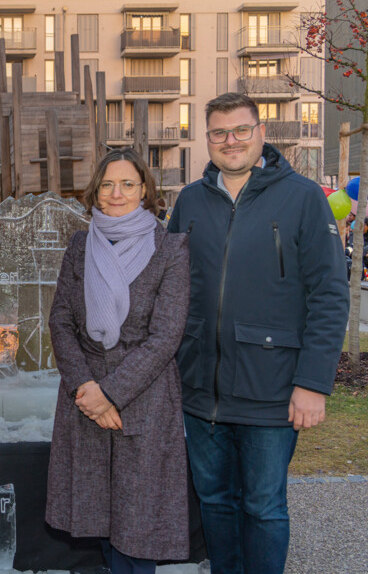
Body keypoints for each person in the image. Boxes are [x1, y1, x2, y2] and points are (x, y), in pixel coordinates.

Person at [168, 92, 349, 574]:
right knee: (215, 501)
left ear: (261, 133)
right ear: (207, 139)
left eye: (241, 130)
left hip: (272, 386)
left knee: (263, 506)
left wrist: (312, 383)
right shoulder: (189, 201)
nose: (231, 141)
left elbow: (330, 296)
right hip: (200, 388)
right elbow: (167, 292)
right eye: (219, 132)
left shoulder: (304, 197)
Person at [46, 147, 190, 574]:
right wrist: (85, 388)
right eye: (107, 184)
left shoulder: (171, 248)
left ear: (144, 189)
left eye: (127, 184)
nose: (116, 193)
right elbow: (60, 321)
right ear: (96, 190)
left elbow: (165, 337)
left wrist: (110, 395)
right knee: (101, 523)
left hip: (143, 400)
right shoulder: (80, 244)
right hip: (85, 397)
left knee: (138, 529)